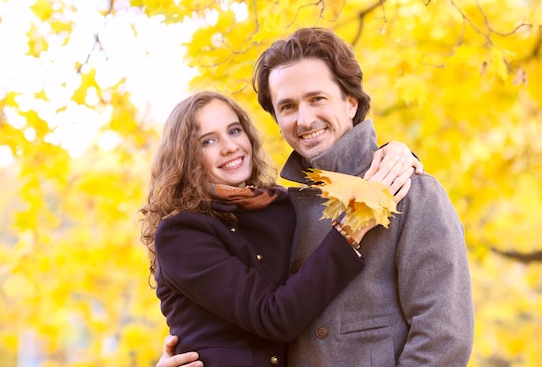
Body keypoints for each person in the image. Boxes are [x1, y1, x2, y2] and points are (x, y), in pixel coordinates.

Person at [158, 27, 474, 367]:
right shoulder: (287, 208)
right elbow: (243, 319)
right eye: (288, 106)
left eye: (317, 99)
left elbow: (444, 340)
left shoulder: (410, 192)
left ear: (351, 102)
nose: (304, 119)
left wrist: (398, 151)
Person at [139, 90, 419, 367]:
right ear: (186, 157)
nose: (229, 147)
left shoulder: (280, 206)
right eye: (208, 141)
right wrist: (351, 228)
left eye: (234, 131)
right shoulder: (181, 234)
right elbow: (274, 317)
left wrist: (394, 154)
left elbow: (345, 180)